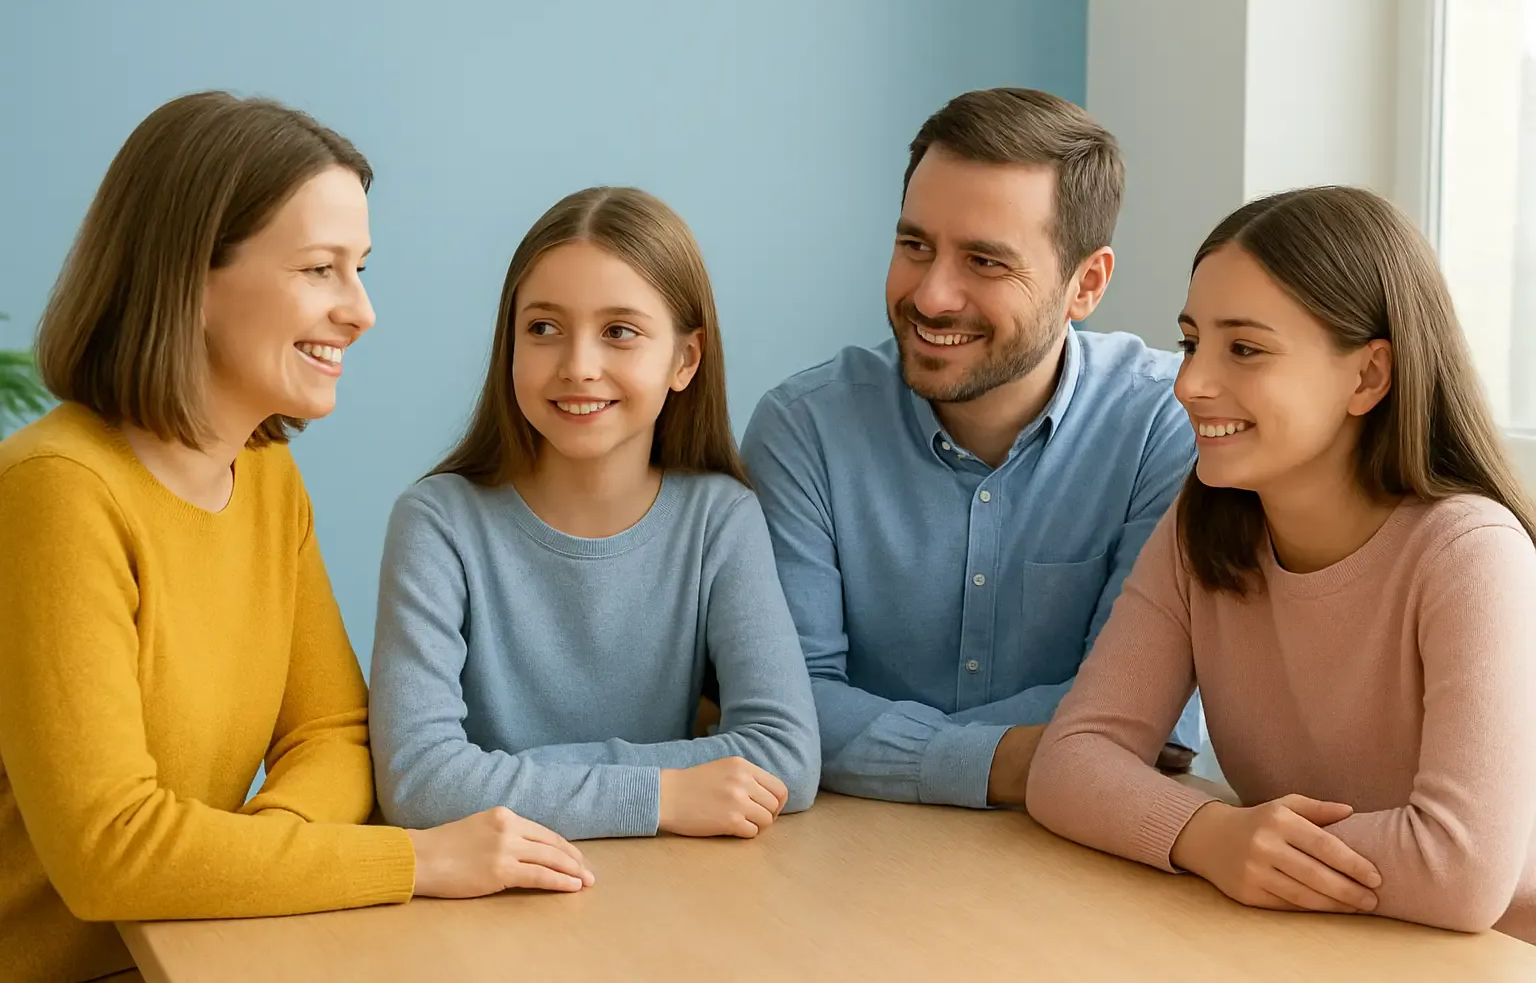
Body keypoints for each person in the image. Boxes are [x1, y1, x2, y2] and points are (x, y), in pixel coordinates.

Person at [0, 92, 594, 983]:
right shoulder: (56, 491)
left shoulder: (265, 472)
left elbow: (335, 730)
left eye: (360, 269)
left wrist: (261, 855)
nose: (361, 310)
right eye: (321, 269)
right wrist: (417, 861)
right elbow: (111, 850)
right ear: (190, 277)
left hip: (197, 953)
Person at [1026, 186, 1536, 942]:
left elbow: (1459, 873)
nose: (1189, 383)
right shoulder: (1202, 526)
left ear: (1368, 377)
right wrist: (1209, 834)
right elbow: (1069, 761)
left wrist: (1247, 841)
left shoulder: (1472, 555)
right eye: (1192, 343)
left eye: (1245, 349)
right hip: (1305, 944)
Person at [740, 87, 1202, 809]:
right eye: (915, 246)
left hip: (1085, 850)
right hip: (849, 849)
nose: (931, 297)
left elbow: (1147, 715)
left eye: (985, 261)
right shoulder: (804, 430)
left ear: (1086, 284)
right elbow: (788, 709)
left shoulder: (1168, 424)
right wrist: (1011, 762)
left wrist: (884, 746)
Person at [369, 186, 820, 842]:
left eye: (619, 332)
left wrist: (505, 781)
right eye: (543, 329)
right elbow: (420, 783)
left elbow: (785, 758)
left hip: (679, 885)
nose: (578, 367)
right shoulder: (436, 523)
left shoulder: (720, 518)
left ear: (685, 360)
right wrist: (659, 793)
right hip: (494, 892)